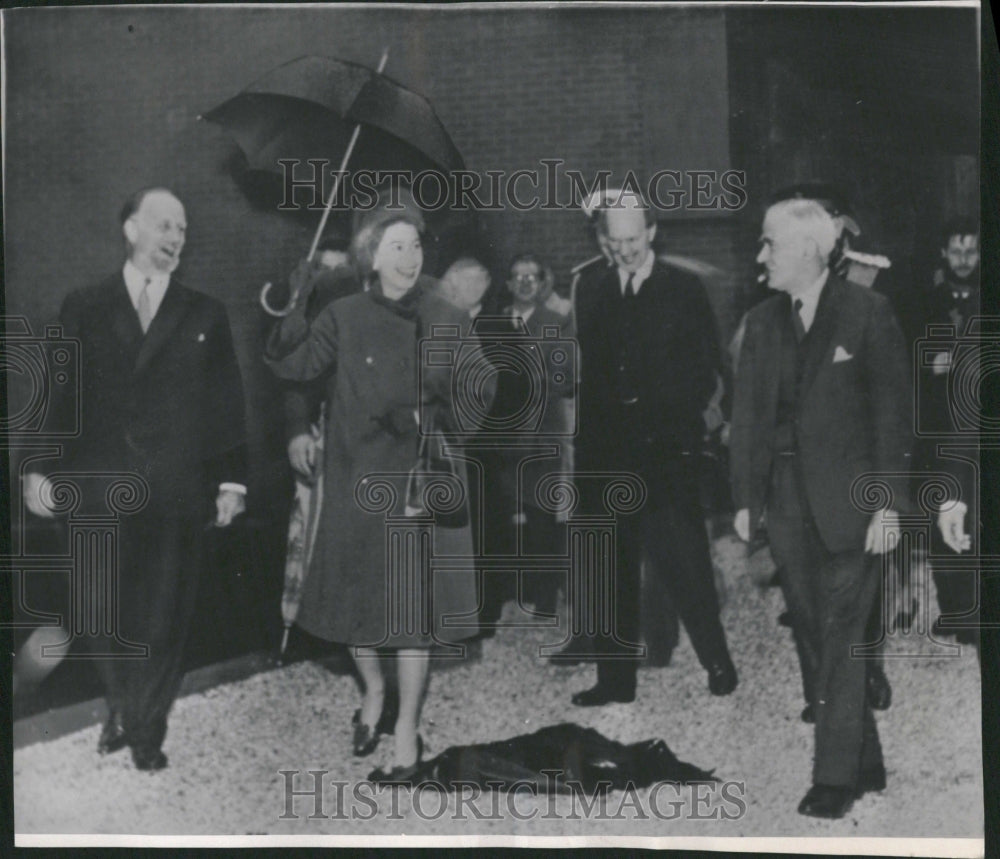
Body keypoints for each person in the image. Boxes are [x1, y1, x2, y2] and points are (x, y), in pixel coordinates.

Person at [22, 187, 248, 771]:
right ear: (130, 228)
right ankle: (123, 701)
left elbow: (226, 405)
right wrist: (36, 468)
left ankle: (146, 725)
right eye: (163, 224)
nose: (175, 237)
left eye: (182, 228)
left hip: (175, 490)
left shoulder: (204, 313)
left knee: (164, 613)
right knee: (101, 608)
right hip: (97, 486)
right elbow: (57, 394)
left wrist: (231, 483)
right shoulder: (84, 305)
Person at [264, 193, 484, 783]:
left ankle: (407, 731)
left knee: (409, 615)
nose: (409, 256)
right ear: (371, 255)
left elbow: (480, 396)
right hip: (353, 479)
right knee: (355, 607)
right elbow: (295, 368)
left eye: (415, 244)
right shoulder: (344, 315)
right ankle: (373, 693)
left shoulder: (447, 316)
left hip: (414, 486)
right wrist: (290, 313)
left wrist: (424, 419)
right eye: (396, 246)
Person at [730, 198, 911, 818]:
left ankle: (834, 777)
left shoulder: (868, 313)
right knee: (813, 632)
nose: (761, 257)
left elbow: (893, 419)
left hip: (855, 510)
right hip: (785, 511)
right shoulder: (761, 322)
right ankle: (866, 758)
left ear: (809, 249)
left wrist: (889, 507)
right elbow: (747, 420)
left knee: (840, 637)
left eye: (769, 245)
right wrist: (744, 504)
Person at [570, 190, 736, 706]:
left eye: (632, 239)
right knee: (609, 571)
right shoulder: (589, 286)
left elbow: (707, 369)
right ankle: (615, 681)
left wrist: (680, 423)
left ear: (653, 232)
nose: (623, 250)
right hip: (604, 456)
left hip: (666, 454)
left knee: (685, 563)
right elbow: (588, 375)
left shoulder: (684, 288)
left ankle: (717, 660)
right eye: (613, 241)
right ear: (602, 238)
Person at [916, 217, 980, 644]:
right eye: (955, 251)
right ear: (943, 253)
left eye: (971, 251)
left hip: (977, 432)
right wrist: (928, 365)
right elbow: (908, 359)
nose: (963, 260)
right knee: (941, 522)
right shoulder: (924, 300)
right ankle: (953, 609)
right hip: (936, 430)